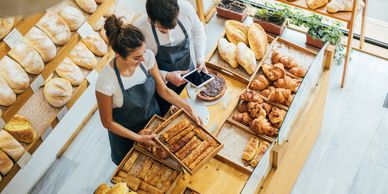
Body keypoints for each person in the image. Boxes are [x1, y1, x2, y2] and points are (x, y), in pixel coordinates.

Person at [95, 15, 201, 165]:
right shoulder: (106, 82)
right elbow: (108, 122)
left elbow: (163, 90)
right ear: (119, 55)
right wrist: (138, 138)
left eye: (143, 53)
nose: (143, 59)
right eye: (136, 58)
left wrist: (188, 107)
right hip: (127, 137)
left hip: (154, 123)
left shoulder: (148, 58)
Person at [133, 0, 206, 115]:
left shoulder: (186, 9)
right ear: (151, 19)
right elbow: (137, 66)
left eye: (172, 26)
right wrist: (165, 75)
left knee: (198, 108)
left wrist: (200, 59)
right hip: (162, 87)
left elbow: (199, 32)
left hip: (190, 75)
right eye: (162, 29)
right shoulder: (138, 30)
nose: (168, 33)